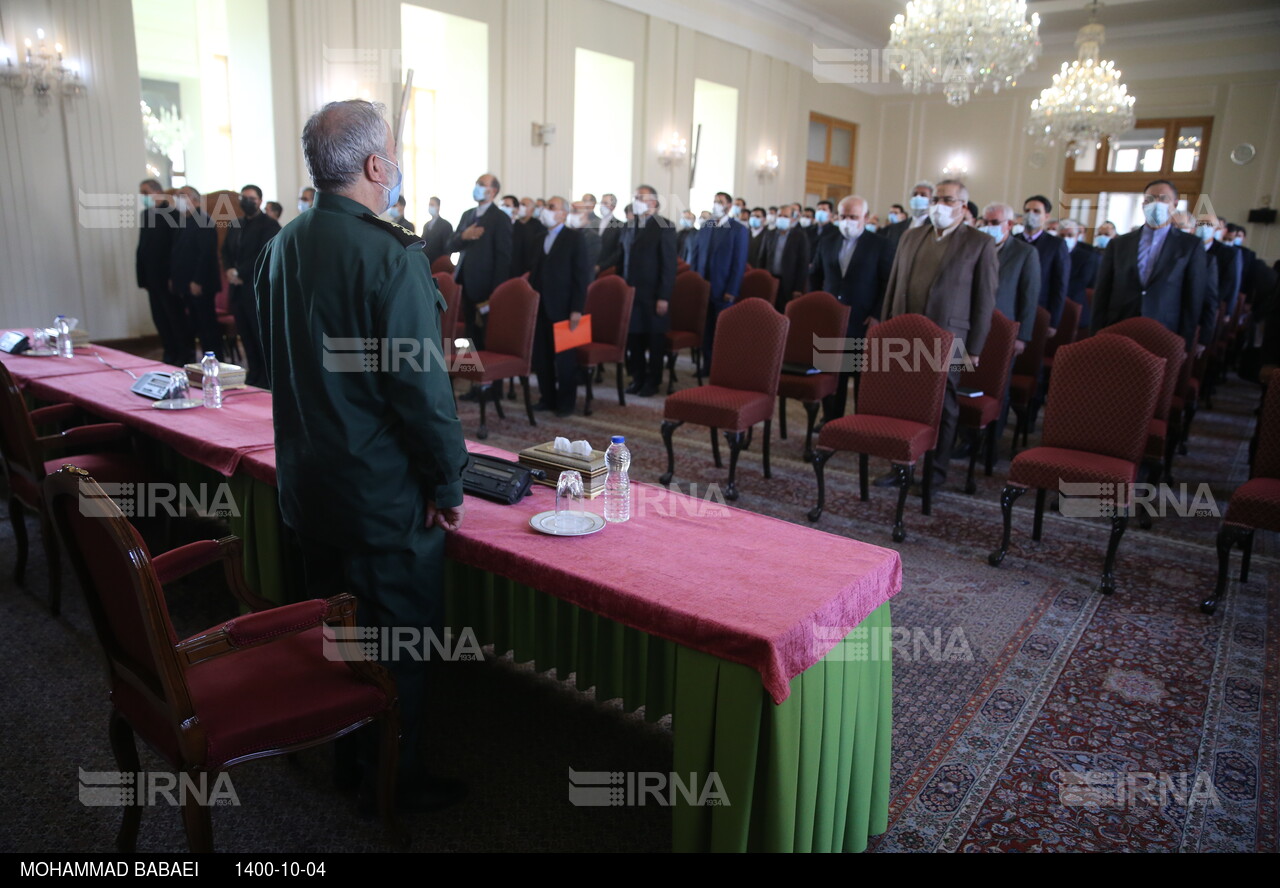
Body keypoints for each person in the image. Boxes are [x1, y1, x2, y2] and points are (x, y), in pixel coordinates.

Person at [255, 99, 469, 812]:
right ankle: (395, 785)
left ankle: (348, 761)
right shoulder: (390, 255)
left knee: (336, 633)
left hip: (307, 487)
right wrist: (449, 485)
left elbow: (271, 365)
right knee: (399, 648)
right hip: (382, 499)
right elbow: (423, 395)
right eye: (396, 152)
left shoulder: (280, 246)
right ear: (378, 166)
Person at [878, 179, 997, 489]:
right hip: (905, 334)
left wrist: (975, 348)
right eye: (936, 199)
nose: (939, 205)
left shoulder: (979, 242)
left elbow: (984, 301)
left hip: (951, 337)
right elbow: (893, 284)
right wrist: (885, 328)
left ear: (963, 206)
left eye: (947, 200)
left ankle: (935, 473)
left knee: (943, 405)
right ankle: (900, 466)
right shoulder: (911, 236)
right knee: (903, 402)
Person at [809, 195, 893, 421]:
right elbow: (815, 275)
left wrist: (877, 314)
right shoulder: (827, 240)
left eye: (853, 217)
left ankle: (859, 422)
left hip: (862, 319)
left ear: (865, 217)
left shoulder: (880, 244)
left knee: (860, 376)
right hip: (830, 318)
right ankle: (830, 419)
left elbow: (887, 283)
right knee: (832, 373)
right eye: (843, 216)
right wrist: (817, 305)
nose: (847, 221)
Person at [1092, 179, 1204, 347]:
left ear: (1174, 204)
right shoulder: (1119, 244)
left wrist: (1185, 342)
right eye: (1150, 199)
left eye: (1163, 199)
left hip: (1165, 330)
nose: (1156, 204)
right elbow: (1102, 290)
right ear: (1143, 204)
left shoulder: (1190, 245)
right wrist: (1095, 332)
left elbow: (1193, 296)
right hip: (1119, 325)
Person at [978, 203, 1040, 444]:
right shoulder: (978, 247)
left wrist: (1022, 336)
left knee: (997, 386)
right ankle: (968, 438)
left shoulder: (1025, 253)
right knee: (968, 382)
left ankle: (991, 441)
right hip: (974, 328)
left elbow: (1029, 297)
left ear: (1010, 225)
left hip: (1004, 331)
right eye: (985, 222)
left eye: (994, 223)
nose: (988, 227)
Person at [529, 196, 590, 417]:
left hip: (564, 307)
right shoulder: (539, 239)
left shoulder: (574, 238)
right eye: (546, 207)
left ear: (563, 213)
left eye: (551, 207)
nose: (546, 210)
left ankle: (566, 402)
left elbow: (582, 276)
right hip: (541, 307)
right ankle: (547, 397)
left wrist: (577, 309)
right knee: (542, 356)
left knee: (565, 359)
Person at [220, 183, 280, 387]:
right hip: (237, 289)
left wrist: (239, 272)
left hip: (257, 289)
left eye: (251, 198)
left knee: (260, 335)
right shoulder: (235, 224)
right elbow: (226, 251)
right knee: (245, 334)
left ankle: (266, 377)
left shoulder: (269, 225)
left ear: (260, 201)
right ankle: (253, 373)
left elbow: (263, 255)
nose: (247, 202)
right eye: (243, 198)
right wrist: (229, 269)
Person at [446, 172, 512, 351]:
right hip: (464, 283)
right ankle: (474, 373)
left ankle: (489, 377)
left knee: (488, 332)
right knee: (470, 331)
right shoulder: (468, 215)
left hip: (486, 287)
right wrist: (464, 236)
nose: (477, 187)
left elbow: (503, 258)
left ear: (493, 191)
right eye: (477, 183)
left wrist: (496, 291)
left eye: (482, 184)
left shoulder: (500, 218)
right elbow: (450, 244)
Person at [621, 185, 676, 396]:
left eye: (640, 197)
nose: (636, 200)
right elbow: (623, 257)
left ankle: (653, 381)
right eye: (635, 197)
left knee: (654, 340)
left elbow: (669, 265)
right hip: (632, 292)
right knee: (634, 339)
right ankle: (638, 377)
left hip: (653, 293)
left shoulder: (665, 226)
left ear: (653, 202)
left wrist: (664, 296)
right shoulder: (630, 226)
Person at [691, 191, 750, 374]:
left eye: (720, 202)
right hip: (704, 287)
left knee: (722, 331)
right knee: (705, 329)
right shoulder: (706, 226)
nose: (716, 204)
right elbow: (696, 255)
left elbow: (738, 263)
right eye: (715, 201)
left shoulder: (738, 229)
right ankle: (706, 366)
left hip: (723, 287)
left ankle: (721, 368)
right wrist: (695, 282)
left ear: (729, 206)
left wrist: (732, 289)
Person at [135, 178, 188, 366]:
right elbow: (142, 247)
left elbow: (176, 249)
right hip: (151, 277)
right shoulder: (145, 215)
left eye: (145, 192)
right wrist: (142, 276)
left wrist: (174, 276)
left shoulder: (172, 214)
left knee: (174, 317)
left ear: (157, 192)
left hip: (167, 276)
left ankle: (183, 354)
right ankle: (169, 351)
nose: (143, 197)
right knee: (159, 317)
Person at [169, 185, 222, 361]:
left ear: (195, 199)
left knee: (207, 327)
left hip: (201, 284)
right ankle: (202, 363)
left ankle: (216, 363)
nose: (178, 200)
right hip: (186, 283)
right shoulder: (185, 220)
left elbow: (206, 254)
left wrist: (197, 281)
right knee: (196, 326)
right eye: (177, 196)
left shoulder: (203, 220)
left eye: (182, 196)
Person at [1020, 194, 1071, 338]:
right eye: (1027, 211)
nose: (1030, 215)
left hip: (1039, 310)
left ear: (1046, 216)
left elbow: (1059, 286)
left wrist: (1053, 321)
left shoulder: (1056, 245)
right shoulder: (1014, 240)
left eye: (1036, 211)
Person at [1059, 218, 1100, 330]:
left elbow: (1081, 282)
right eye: (1061, 236)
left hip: (1075, 305)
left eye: (1070, 235)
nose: (1065, 239)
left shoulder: (1087, 256)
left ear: (1077, 237)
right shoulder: (1053, 253)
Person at [767, 205, 810, 310]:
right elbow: (763, 257)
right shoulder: (770, 234)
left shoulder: (800, 236)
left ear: (792, 219)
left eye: (785, 216)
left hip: (788, 282)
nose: (782, 218)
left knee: (784, 310)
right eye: (780, 215)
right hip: (770, 279)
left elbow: (803, 264)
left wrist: (798, 288)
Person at [880, 181, 933, 248]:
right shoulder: (896, 227)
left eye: (923, 195)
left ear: (931, 200)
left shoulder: (935, 226)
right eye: (915, 194)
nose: (918, 197)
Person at [511, 194, 546, 278]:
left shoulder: (539, 227)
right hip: (512, 269)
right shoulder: (513, 225)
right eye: (519, 204)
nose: (520, 207)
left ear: (532, 209)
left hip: (529, 271)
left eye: (524, 205)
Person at [421, 196, 453, 266]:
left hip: (439, 264)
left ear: (438, 207)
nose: (430, 207)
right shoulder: (426, 225)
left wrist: (444, 262)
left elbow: (447, 248)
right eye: (429, 205)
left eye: (432, 205)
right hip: (426, 263)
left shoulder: (446, 225)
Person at [571, 200, 602, 272]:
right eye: (571, 211)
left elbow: (586, 264)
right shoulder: (568, 234)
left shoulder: (592, 236)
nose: (571, 214)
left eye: (575, 211)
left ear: (585, 214)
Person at [597, 193, 624, 272]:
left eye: (605, 203)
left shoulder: (620, 225)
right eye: (601, 203)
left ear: (613, 207)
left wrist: (602, 266)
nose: (602, 205)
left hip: (608, 269)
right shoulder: (593, 222)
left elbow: (618, 251)